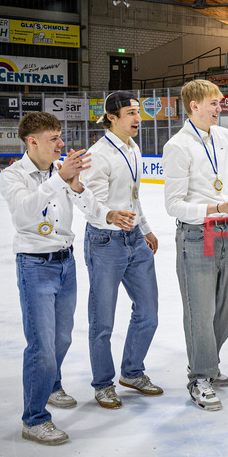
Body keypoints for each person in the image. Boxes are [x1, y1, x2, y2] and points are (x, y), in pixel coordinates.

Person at [163, 79, 228, 411]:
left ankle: (209, 360)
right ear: (194, 106)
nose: (220, 108)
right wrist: (216, 208)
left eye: (220, 103)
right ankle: (200, 376)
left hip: (227, 230)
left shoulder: (224, 135)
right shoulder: (177, 146)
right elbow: (173, 205)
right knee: (200, 311)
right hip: (196, 234)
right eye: (214, 103)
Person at [0, 112, 95, 445]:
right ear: (32, 141)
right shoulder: (12, 176)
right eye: (53, 138)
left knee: (62, 339)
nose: (61, 144)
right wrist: (60, 179)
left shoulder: (60, 173)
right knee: (41, 346)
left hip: (66, 263)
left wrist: (76, 186)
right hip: (35, 266)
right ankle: (34, 418)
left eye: (60, 136)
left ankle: (51, 384)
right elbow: (26, 210)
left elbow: (87, 207)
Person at [78, 92, 162, 410]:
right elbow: (90, 202)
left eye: (138, 111)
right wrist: (110, 215)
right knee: (103, 321)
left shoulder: (133, 147)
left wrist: (145, 228)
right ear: (111, 117)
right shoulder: (99, 155)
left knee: (149, 312)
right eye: (130, 112)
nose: (137, 118)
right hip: (105, 242)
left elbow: (133, 197)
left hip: (135, 240)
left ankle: (132, 372)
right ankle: (103, 384)